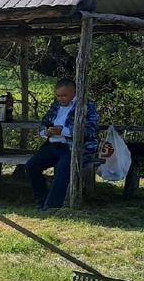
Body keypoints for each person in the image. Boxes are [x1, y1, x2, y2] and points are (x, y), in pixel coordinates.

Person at [25, 77, 99, 209]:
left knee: (63, 168)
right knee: (32, 166)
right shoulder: (56, 105)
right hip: (54, 144)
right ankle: (41, 200)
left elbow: (89, 130)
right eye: (58, 96)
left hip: (74, 147)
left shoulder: (86, 106)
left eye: (64, 95)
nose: (61, 99)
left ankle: (52, 206)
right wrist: (45, 132)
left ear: (74, 92)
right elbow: (44, 122)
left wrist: (63, 131)